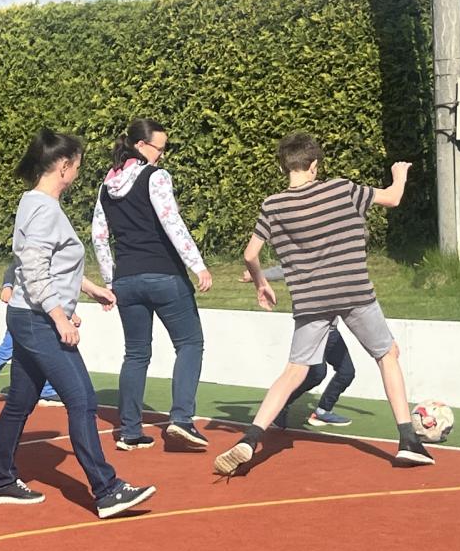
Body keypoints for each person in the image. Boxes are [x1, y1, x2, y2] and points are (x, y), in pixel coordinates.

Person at [213, 132, 434, 476]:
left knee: (293, 371)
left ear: (283, 167)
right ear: (314, 165)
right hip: (354, 292)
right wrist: (400, 173)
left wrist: (260, 284)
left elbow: (250, 254)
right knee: (387, 354)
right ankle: (408, 440)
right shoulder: (342, 189)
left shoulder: (273, 205)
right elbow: (392, 199)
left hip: (310, 300)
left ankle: (250, 437)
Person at [0, 128, 156, 519]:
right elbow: (34, 268)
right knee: (82, 401)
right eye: (77, 165)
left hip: (28, 316)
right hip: (38, 321)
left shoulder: (33, 203)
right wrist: (60, 316)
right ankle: (107, 490)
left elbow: (53, 266)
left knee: (20, 402)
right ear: (63, 167)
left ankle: (0, 480)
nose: (78, 171)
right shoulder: (44, 209)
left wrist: (91, 289)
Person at [91, 118, 212, 452]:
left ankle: (129, 431)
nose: (163, 155)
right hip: (164, 274)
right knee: (190, 344)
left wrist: (109, 281)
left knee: (136, 353)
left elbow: (99, 237)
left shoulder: (106, 186)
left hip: (126, 279)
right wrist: (197, 264)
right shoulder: (156, 176)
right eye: (160, 148)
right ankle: (181, 419)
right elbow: (172, 221)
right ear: (141, 146)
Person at [242, 267, 356, 428]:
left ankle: (322, 411)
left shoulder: (335, 264)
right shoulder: (308, 264)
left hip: (331, 332)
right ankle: (279, 406)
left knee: (347, 372)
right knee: (317, 375)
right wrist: (256, 275)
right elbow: (285, 269)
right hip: (312, 331)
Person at [0, 259, 62, 410]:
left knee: (48, 350)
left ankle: (47, 391)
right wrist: (7, 286)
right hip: (22, 312)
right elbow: (13, 267)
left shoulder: (58, 259)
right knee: (6, 351)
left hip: (45, 313)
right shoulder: (32, 251)